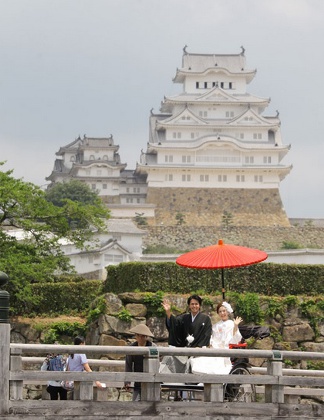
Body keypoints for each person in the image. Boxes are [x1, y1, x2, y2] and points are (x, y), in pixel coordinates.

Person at [190, 301, 243, 374]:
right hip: (215, 349)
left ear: (227, 312)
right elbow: (213, 339)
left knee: (215, 362)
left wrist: (235, 326)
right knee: (200, 359)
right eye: (220, 311)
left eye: (224, 311)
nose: (222, 313)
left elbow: (235, 339)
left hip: (225, 350)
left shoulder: (231, 324)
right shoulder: (216, 326)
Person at [124, 324, 155, 401]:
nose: (141, 338)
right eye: (139, 336)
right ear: (136, 336)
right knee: (135, 404)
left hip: (151, 381)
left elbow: (156, 364)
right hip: (137, 381)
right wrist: (127, 381)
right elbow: (128, 365)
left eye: (143, 336)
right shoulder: (132, 348)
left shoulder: (152, 347)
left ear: (146, 337)